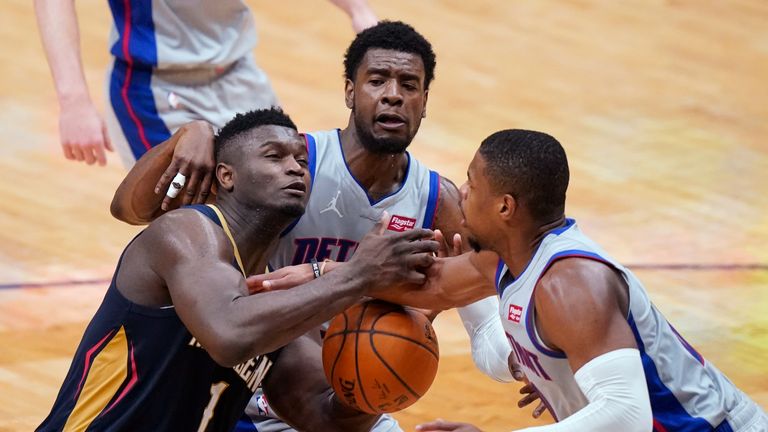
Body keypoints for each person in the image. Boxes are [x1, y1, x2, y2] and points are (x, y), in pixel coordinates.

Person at [109, 21, 542, 431]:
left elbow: (484, 322)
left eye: (409, 86)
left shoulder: (439, 203)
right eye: (377, 81)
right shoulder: (290, 168)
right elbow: (134, 210)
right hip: (246, 379)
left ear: (425, 102)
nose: (392, 95)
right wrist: (188, 136)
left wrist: (521, 359)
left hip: (345, 392)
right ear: (351, 92)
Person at [36, 108, 441, 432]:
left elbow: (324, 417)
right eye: (274, 156)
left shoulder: (273, 297)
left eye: (301, 160)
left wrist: (377, 383)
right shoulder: (186, 233)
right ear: (226, 176)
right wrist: (358, 275)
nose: (296, 168)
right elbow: (228, 333)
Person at [404, 129, 768, 431]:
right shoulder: (504, 258)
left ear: (505, 207)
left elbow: (627, 417)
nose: (462, 192)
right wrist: (357, 270)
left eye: (472, 182)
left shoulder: (571, 285)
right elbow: (432, 285)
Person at [34, 0, 378, 167]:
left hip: (240, 73)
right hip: (156, 93)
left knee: (286, 210)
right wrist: (74, 100)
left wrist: (358, 11)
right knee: (202, 238)